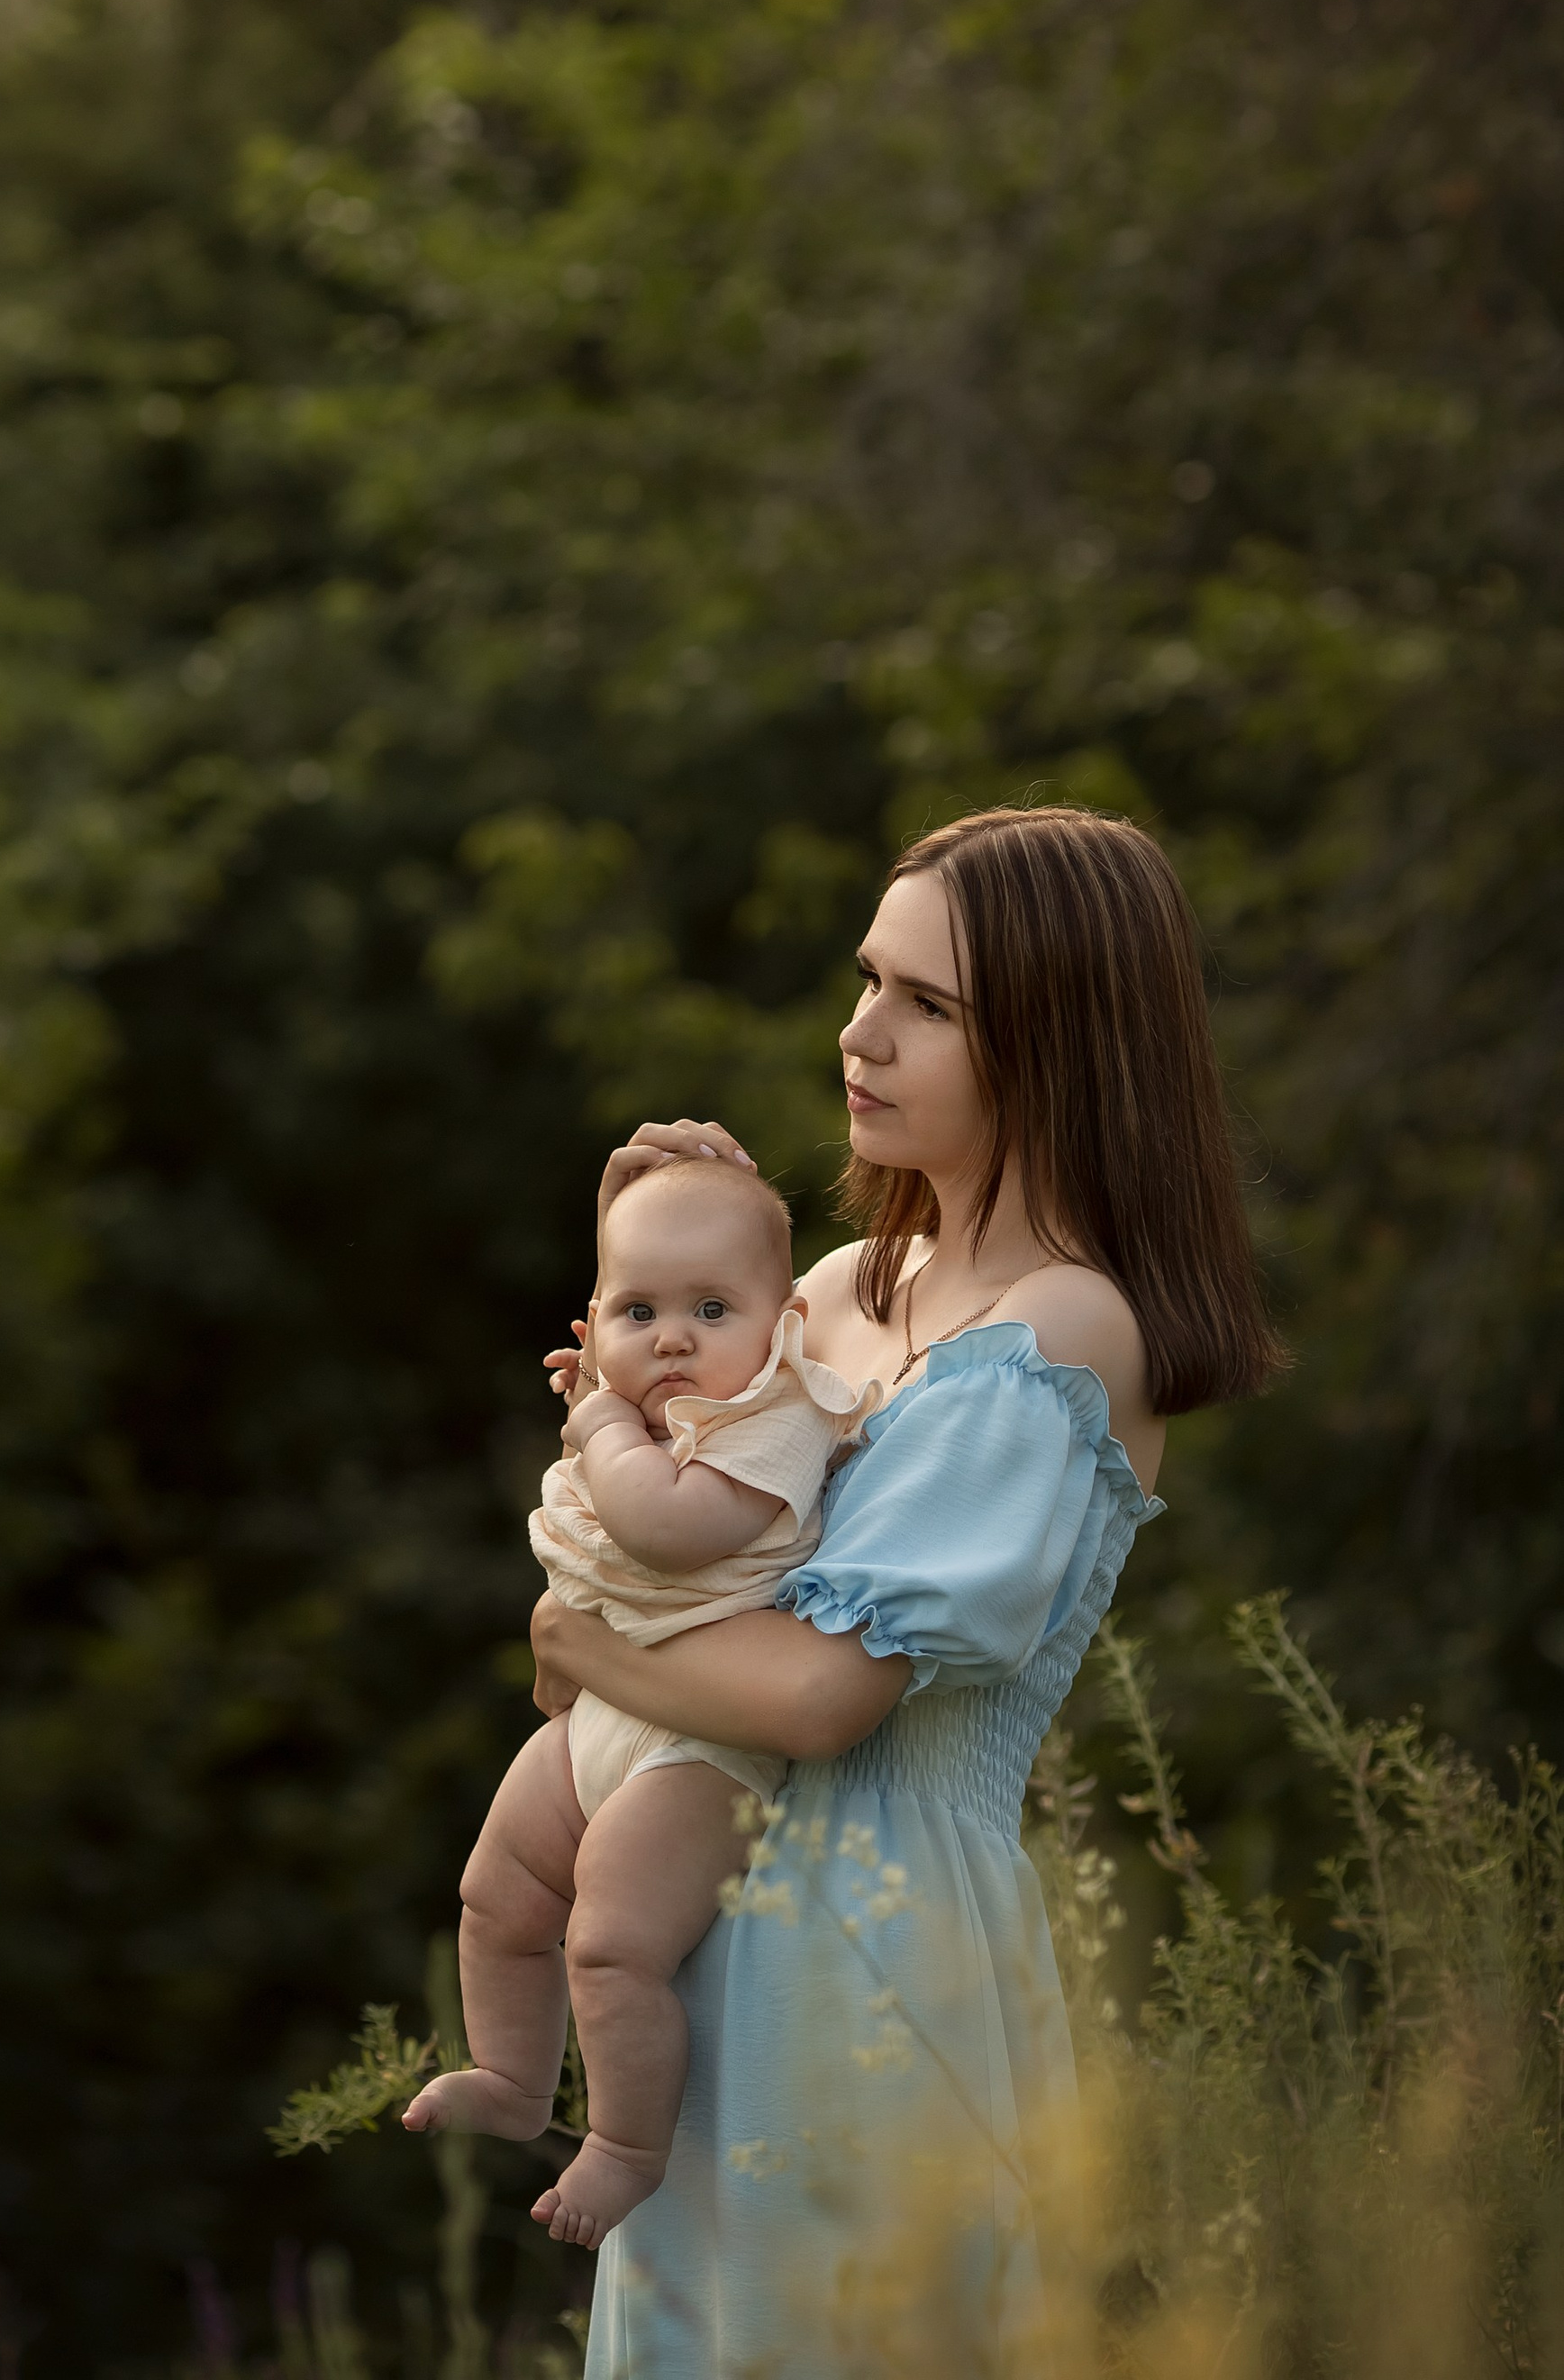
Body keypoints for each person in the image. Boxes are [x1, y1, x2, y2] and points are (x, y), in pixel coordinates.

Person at [526, 805, 1284, 2375]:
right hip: (703, 1906)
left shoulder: (1062, 1329)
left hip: (864, 1947)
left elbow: (819, 1693)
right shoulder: (833, 1293)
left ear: (1058, 1039)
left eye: (926, 1004)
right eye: (871, 981)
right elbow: (673, 1524)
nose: (858, 1033)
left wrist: (579, 1641)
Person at [403, 1154, 873, 2247]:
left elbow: (667, 1527)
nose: (672, 1338)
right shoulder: (635, 1411)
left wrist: (604, 1431)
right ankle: (515, 2080)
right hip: (602, 1716)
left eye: (712, 1309)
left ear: (784, 1319)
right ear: (592, 1319)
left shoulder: (782, 1412)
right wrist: (607, 1410)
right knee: (498, 1891)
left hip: (707, 1741)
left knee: (611, 1942)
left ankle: (623, 2147)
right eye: (637, 1310)